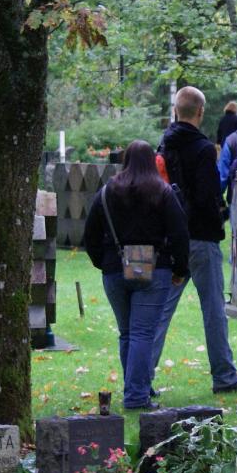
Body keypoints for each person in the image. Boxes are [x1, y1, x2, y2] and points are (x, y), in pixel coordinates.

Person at [154, 86, 237, 395]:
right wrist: (219, 219)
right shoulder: (202, 149)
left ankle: (141, 380)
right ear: (200, 113)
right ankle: (224, 376)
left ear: (176, 110)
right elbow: (208, 195)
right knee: (214, 310)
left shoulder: (164, 145)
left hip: (172, 237)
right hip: (200, 235)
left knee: (161, 311)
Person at [84, 140, 191, 410]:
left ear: (125, 161)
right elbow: (180, 233)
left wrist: (104, 262)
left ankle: (137, 387)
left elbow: (90, 235)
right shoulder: (162, 192)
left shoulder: (107, 192)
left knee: (127, 333)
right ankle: (136, 395)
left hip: (114, 270)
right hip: (154, 269)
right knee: (143, 333)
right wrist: (180, 269)